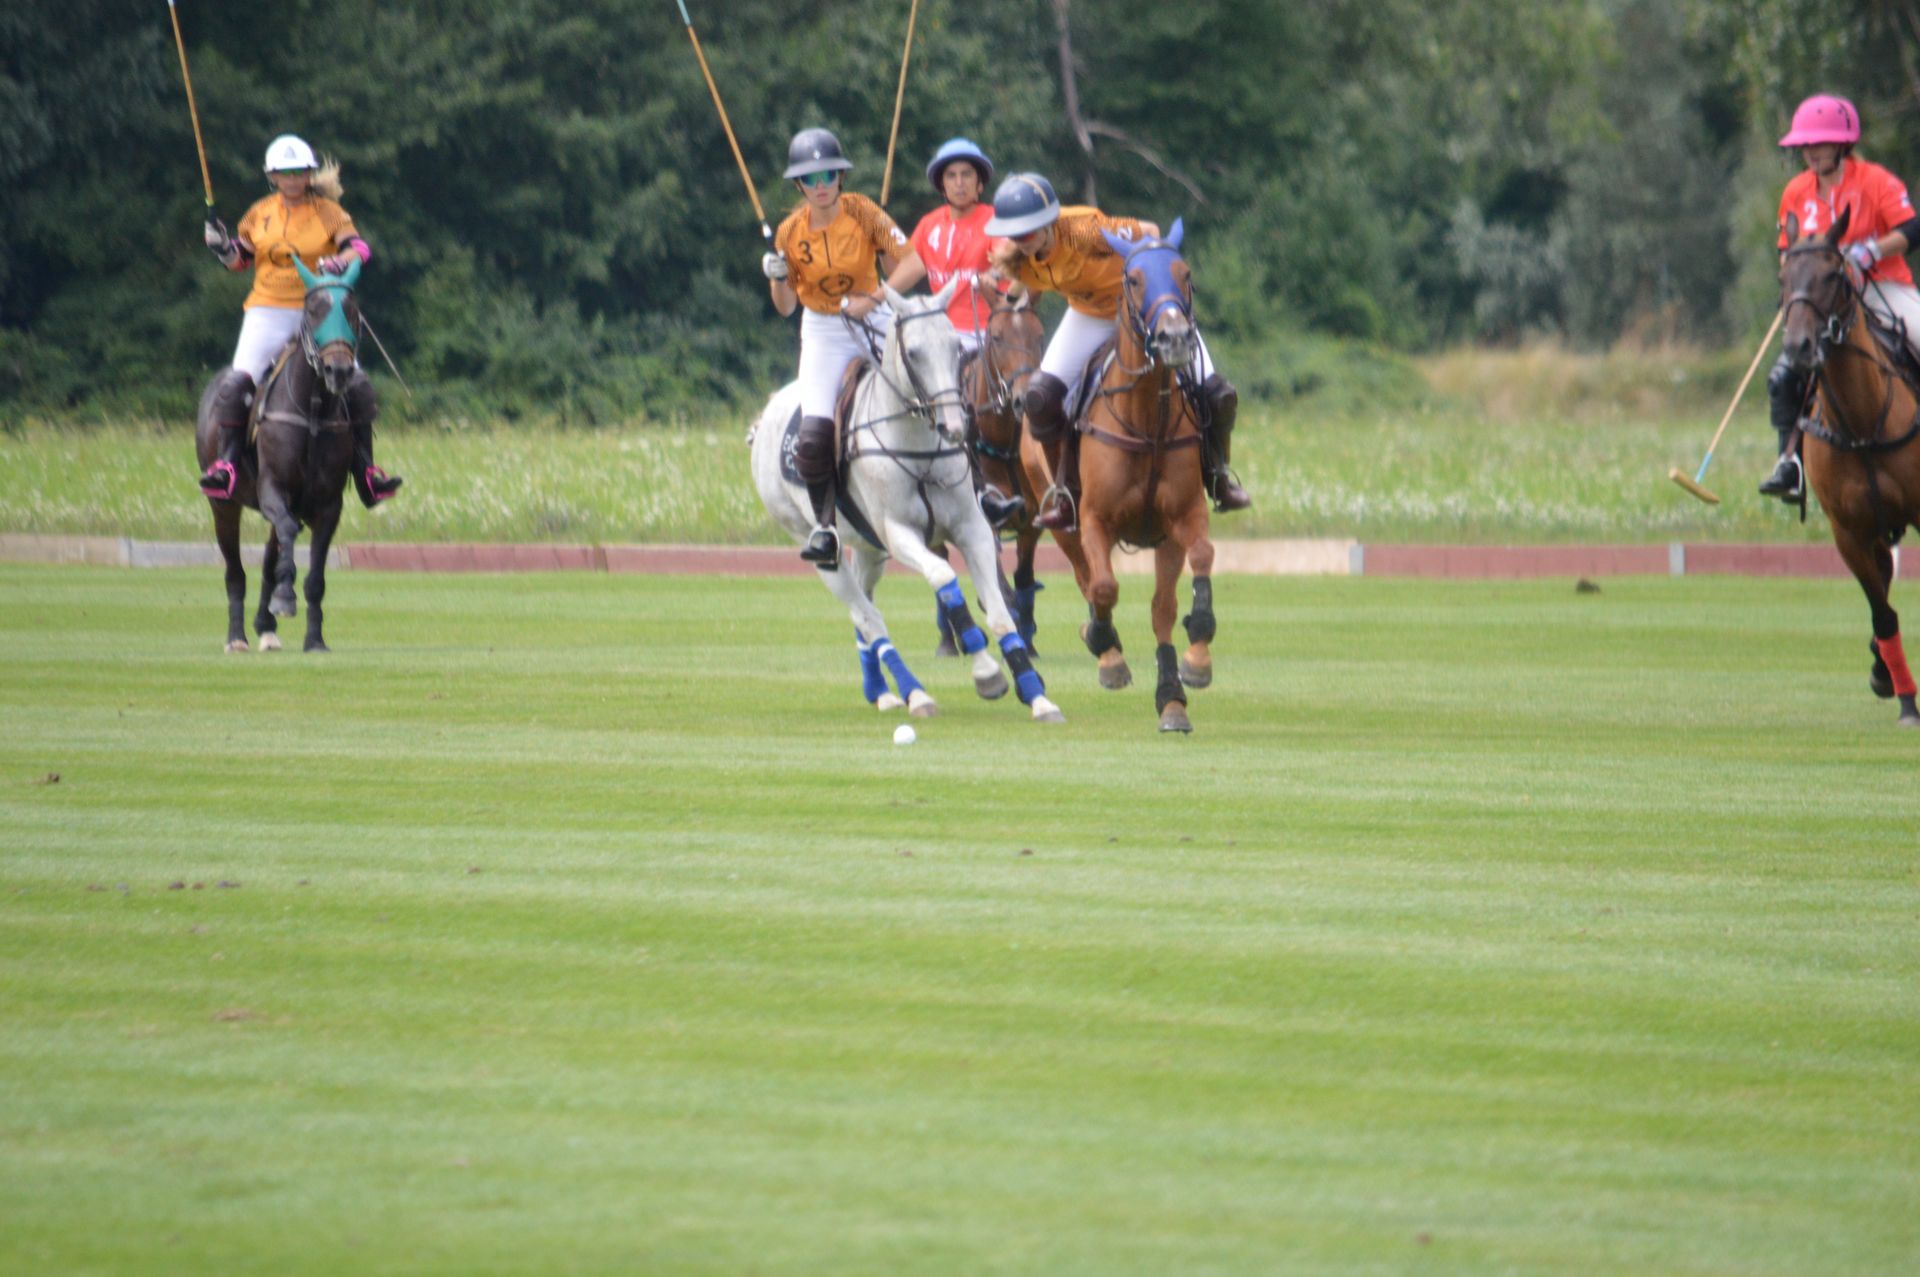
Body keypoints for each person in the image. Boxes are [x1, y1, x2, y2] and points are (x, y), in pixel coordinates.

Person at [982, 172, 1249, 530]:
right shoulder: (1023, 260)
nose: (1022, 240)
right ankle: (1067, 495)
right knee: (1040, 397)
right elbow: (1025, 285)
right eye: (1015, 234)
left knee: (1216, 393)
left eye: (1028, 231)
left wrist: (1158, 293)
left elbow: (1150, 232)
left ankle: (1218, 479)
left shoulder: (1085, 230)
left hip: (1142, 311)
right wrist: (1005, 300)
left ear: (1048, 223)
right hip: (1089, 316)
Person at [201, 134, 401, 507]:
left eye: (299, 172)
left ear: (309, 174)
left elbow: (360, 248)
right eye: (285, 173)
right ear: (272, 177)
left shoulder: (329, 212)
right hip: (268, 309)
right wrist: (222, 247)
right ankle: (227, 465)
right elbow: (239, 261)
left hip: (321, 311)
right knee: (235, 383)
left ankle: (367, 472)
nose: (293, 179)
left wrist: (341, 260)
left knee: (357, 384)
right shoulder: (259, 213)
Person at [763, 127, 925, 569]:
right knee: (814, 432)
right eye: (810, 179)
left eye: (828, 175)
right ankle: (826, 529)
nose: (821, 186)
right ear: (799, 186)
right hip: (823, 330)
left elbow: (913, 264)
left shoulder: (864, 212)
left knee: (931, 391)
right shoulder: (789, 233)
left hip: (875, 315)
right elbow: (785, 307)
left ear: (840, 177)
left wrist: (874, 298)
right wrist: (777, 277)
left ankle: (976, 487)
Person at [1764, 94, 1920, 502]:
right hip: (1823, 295)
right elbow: (1786, 248)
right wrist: (1794, 280)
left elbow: (1912, 229)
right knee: (1784, 375)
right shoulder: (1795, 192)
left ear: (1842, 144)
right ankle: (1790, 464)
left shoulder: (1875, 181)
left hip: (1882, 285)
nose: (1810, 152)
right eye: (1805, 145)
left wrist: (1872, 250)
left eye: (1819, 143)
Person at [894, 136, 1021, 528]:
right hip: (940, 335)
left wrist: (994, 275)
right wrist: (875, 293)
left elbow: (1008, 261)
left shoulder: (995, 221)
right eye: (951, 176)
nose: (960, 182)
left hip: (984, 334)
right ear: (942, 184)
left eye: (967, 175)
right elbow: (904, 273)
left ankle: (991, 489)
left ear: (980, 183)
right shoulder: (929, 226)